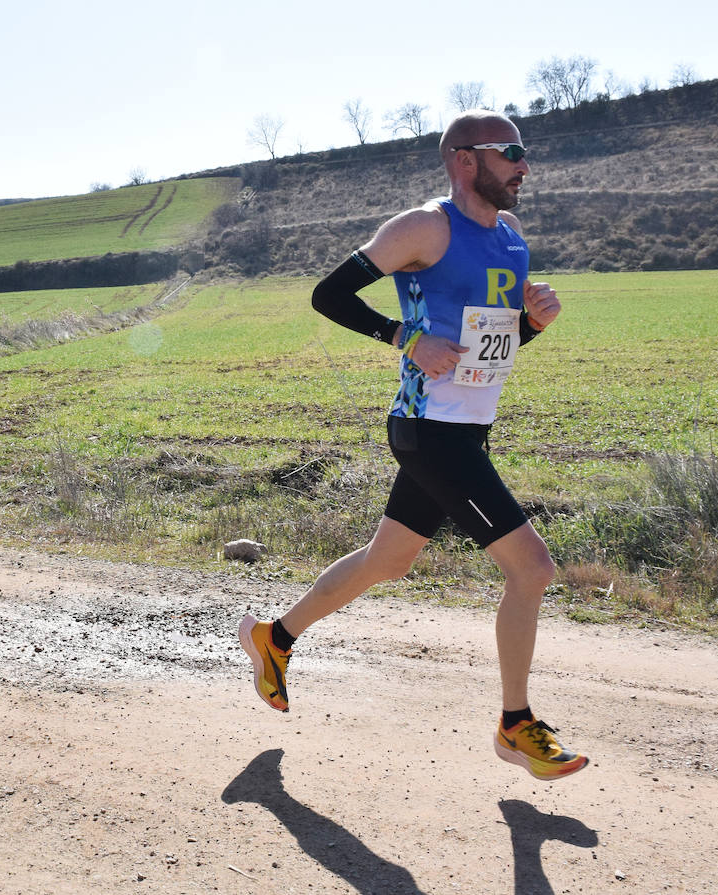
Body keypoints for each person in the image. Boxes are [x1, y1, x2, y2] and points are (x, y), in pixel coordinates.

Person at [239, 110, 587, 781]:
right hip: (428, 432)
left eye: (525, 151)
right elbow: (329, 294)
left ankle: (273, 637)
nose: (523, 164)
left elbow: (492, 346)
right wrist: (402, 337)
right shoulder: (425, 228)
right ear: (464, 160)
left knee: (387, 561)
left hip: (468, 431)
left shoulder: (512, 237)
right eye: (510, 151)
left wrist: (532, 324)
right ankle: (516, 726)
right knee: (532, 568)